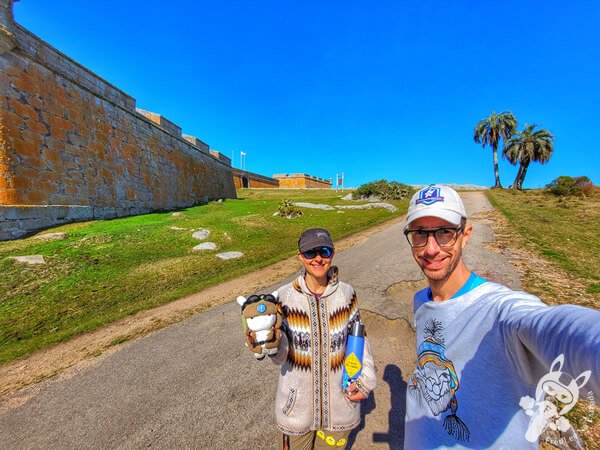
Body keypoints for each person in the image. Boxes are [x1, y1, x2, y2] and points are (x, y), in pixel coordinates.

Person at [403, 184, 600, 449]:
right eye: (419, 233)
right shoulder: (421, 301)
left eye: (444, 233)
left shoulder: (502, 310)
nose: (430, 249)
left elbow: (561, 330)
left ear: (465, 234)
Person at [242, 228, 376, 449]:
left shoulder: (347, 294)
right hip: (295, 410)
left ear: (332, 253)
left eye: (324, 251)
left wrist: (366, 379)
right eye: (310, 253)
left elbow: (361, 339)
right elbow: (282, 357)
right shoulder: (283, 297)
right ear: (300, 256)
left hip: (340, 409)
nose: (318, 259)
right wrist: (271, 345)